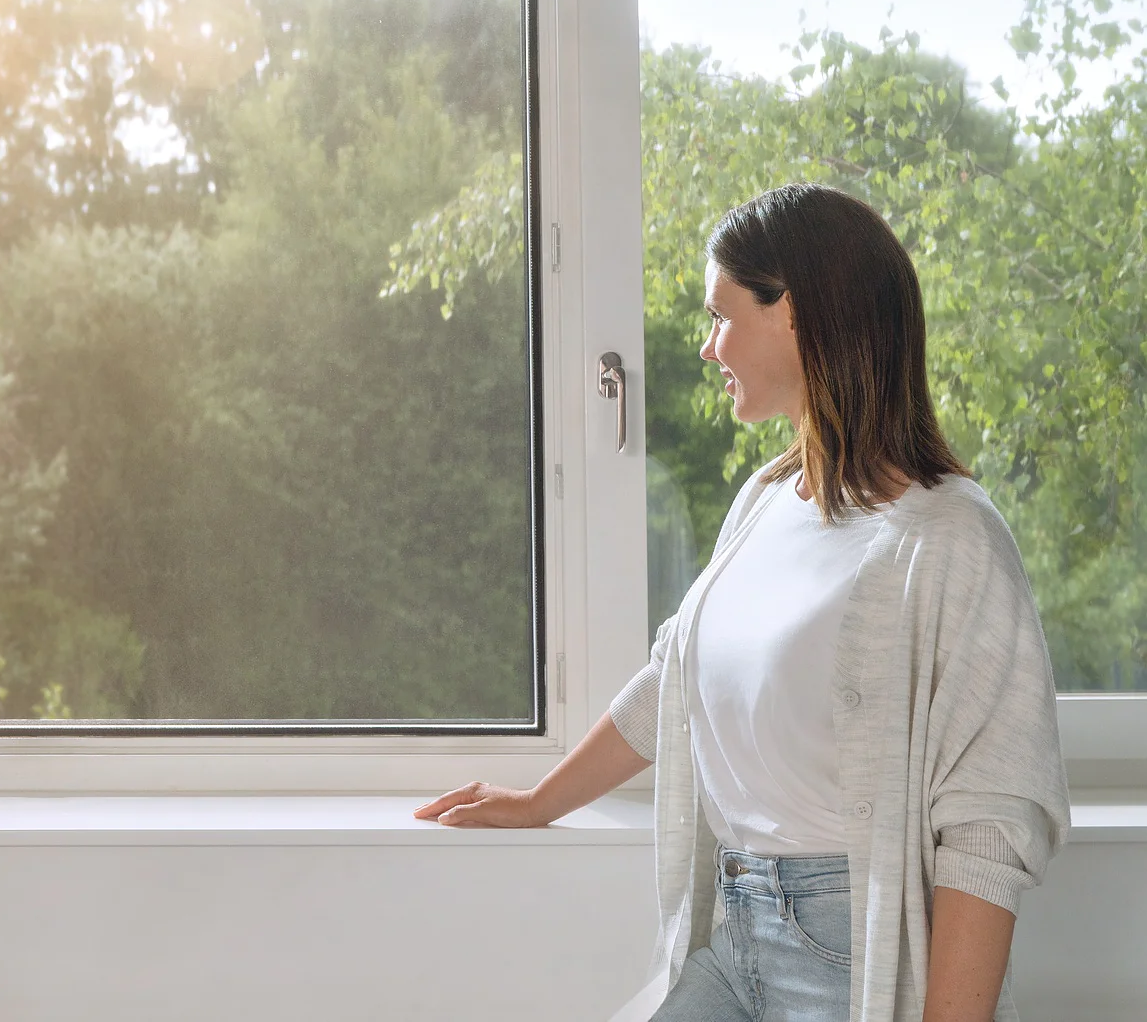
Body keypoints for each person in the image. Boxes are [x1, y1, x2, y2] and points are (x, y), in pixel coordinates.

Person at [416, 183, 1070, 1022]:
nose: (705, 346)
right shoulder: (765, 501)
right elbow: (673, 684)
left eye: (720, 315)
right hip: (733, 938)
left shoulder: (949, 539)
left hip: (852, 958)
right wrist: (540, 800)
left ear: (796, 313)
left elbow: (989, 825)